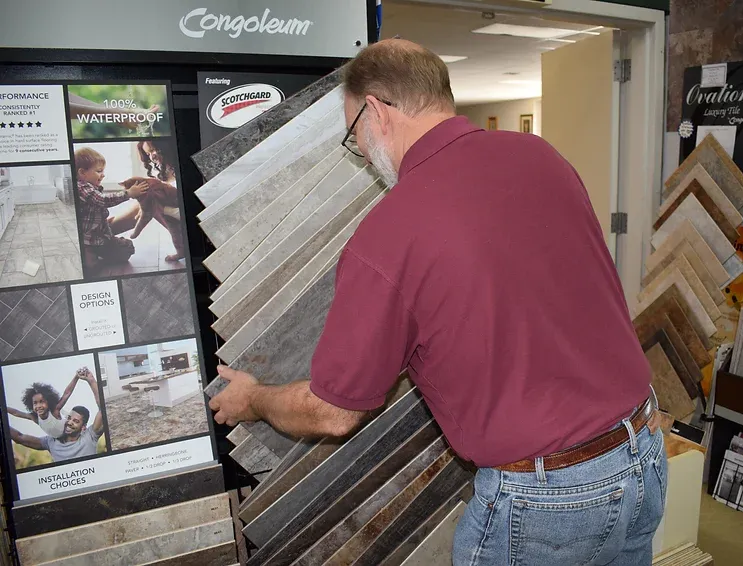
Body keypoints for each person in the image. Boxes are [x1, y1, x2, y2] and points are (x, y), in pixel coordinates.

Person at [208, 39, 665, 565]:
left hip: (548, 502)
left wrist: (253, 399)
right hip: (641, 455)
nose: (360, 147)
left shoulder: (391, 230)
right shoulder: (541, 155)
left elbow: (333, 412)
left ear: (374, 110)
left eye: (352, 134)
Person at [10, 368, 104, 463]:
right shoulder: (51, 442)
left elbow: (103, 409)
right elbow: (20, 438)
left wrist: (91, 380)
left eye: (76, 421)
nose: (70, 422)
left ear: (83, 427)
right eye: (69, 418)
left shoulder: (90, 436)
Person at [74, 147, 148, 266]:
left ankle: (99, 251)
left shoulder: (90, 187)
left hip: (99, 235)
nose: (103, 175)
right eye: (99, 171)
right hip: (88, 240)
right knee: (90, 265)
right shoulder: (81, 188)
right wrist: (128, 193)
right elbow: (102, 200)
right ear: (82, 172)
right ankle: (92, 253)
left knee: (127, 248)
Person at [6, 369, 86, 438]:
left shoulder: (55, 411)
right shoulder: (34, 417)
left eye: (42, 402)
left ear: (48, 402)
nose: (39, 406)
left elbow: (66, 394)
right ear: (31, 405)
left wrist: (76, 377)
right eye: (35, 403)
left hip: (69, 433)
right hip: (56, 439)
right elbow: (16, 413)